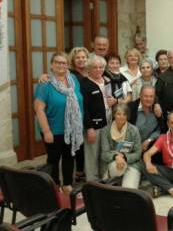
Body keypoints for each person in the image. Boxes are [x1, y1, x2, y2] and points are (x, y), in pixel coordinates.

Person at [34, 52, 83, 195]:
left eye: (64, 63)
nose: (61, 65)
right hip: (53, 129)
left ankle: (67, 184)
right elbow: (39, 109)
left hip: (71, 128)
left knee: (69, 156)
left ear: (68, 65)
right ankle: (54, 186)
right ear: (52, 65)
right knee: (54, 159)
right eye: (58, 62)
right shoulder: (46, 84)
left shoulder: (73, 79)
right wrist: (47, 131)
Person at [81, 55, 117, 181]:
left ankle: (104, 179)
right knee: (92, 155)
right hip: (93, 126)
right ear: (89, 69)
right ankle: (92, 182)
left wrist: (114, 100)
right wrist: (89, 128)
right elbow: (83, 108)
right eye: (95, 67)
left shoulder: (107, 80)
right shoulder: (84, 84)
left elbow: (110, 98)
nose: (98, 70)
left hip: (108, 123)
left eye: (101, 67)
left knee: (104, 153)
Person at [101, 103, 142, 189]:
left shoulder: (134, 130)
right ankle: (114, 178)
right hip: (114, 163)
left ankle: (119, 180)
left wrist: (124, 157)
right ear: (114, 115)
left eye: (124, 114)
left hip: (132, 164)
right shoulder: (105, 131)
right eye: (118, 114)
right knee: (117, 169)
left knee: (129, 191)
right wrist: (116, 156)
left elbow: (138, 153)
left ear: (127, 116)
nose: (121, 117)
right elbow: (104, 154)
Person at [68, 47, 89, 182]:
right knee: (76, 144)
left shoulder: (91, 71)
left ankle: (83, 170)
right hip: (75, 112)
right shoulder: (69, 74)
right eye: (78, 58)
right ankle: (77, 172)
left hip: (89, 110)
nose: (81, 60)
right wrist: (45, 76)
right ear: (73, 60)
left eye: (83, 57)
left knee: (85, 143)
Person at [128, 85, 161, 153]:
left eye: (151, 96)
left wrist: (149, 140)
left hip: (151, 148)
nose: (148, 99)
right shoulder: (130, 108)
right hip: (132, 148)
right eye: (146, 96)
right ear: (140, 95)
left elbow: (159, 129)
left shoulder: (158, 109)